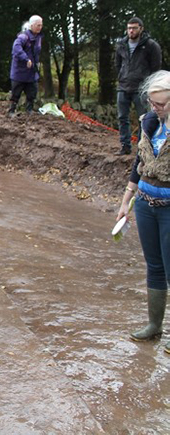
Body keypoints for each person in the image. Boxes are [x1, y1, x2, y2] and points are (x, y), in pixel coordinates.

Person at [117, 70, 170, 355]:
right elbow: (138, 161)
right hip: (146, 204)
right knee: (155, 266)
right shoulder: (149, 122)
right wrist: (126, 201)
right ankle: (154, 325)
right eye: (152, 103)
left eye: (160, 104)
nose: (155, 108)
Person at [114, 17, 162, 155]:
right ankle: (125, 146)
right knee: (122, 117)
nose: (131, 31)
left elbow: (155, 67)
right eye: (129, 28)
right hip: (123, 86)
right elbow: (118, 64)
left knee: (145, 118)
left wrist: (150, 85)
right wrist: (121, 76)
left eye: (134, 28)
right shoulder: (121, 45)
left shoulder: (151, 46)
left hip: (141, 88)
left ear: (141, 28)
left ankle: (143, 148)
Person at [8, 15, 43, 117]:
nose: (40, 27)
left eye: (41, 25)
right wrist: (26, 58)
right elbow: (16, 49)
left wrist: (36, 63)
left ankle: (29, 110)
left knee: (32, 92)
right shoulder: (23, 37)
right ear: (32, 25)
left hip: (31, 72)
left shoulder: (38, 38)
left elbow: (36, 52)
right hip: (20, 71)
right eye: (38, 25)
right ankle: (11, 111)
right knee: (16, 93)